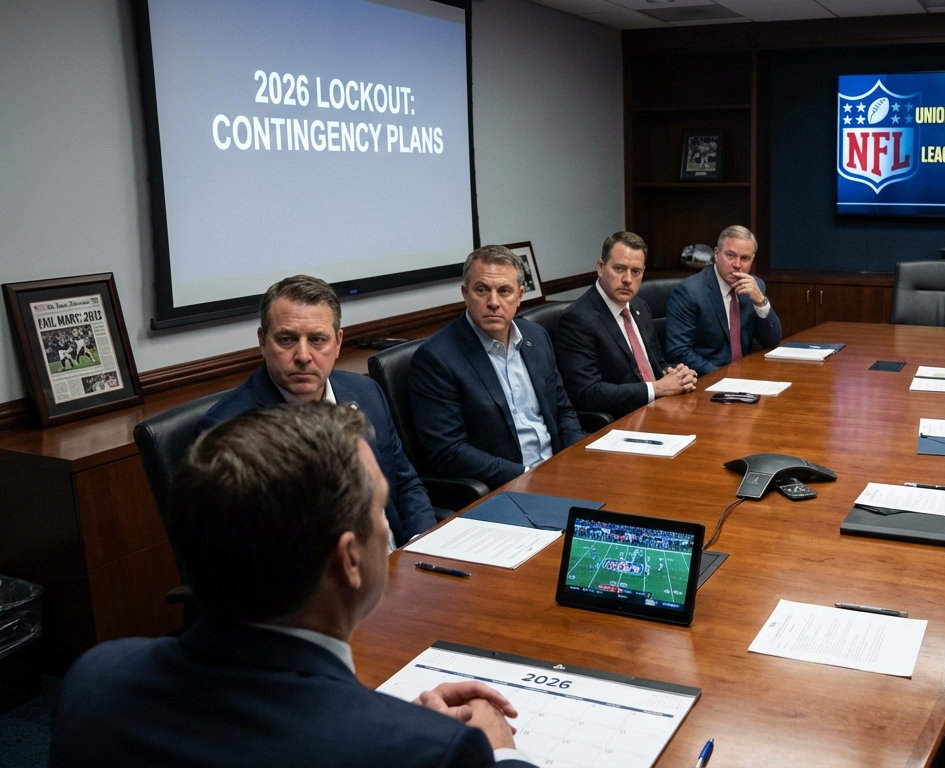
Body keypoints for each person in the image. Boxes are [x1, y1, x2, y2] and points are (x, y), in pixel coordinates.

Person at [51, 403, 534, 767]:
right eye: (378, 510)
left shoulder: (93, 678)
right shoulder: (439, 753)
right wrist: (500, 752)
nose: (387, 527)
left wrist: (384, 725)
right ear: (348, 559)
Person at [194, 275, 436, 545]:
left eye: (317, 339)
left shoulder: (366, 392)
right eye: (287, 339)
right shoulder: (227, 432)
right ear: (262, 341)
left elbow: (405, 485)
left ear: (338, 343)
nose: (303, 356)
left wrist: (422, 545)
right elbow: (246, 548)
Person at [411, 246, 585, 489]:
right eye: (482, 290)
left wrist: (580, 458)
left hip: (559, 470)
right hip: (505, 485)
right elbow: (449, 451)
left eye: (504, 291)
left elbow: (563, 410)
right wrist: (529, 476)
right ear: (465, 293)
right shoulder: (436, 359)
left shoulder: (536, 336)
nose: (493, 302)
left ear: (520, 295)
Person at [555, 231, 697, 418]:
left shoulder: (639, 306)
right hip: (624, 419)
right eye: (619, 269)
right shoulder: (577, 319)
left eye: (635, 272)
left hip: (661, 408)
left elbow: (657, 363)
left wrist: (675, 374)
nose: (628, 279)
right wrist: (656, 388)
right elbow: (586, 393)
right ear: (600, 267)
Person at [664, 225, 782, 374]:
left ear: (752, 259)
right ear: (717, 254)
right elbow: (678, 352)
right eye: (730, 255)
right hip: (706, 377)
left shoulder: (755, 286)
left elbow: (772, 341)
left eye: (745, 258)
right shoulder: (689, 292)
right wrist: (722, 377)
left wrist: (760, 301)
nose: (737, 265)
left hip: (744, 374)